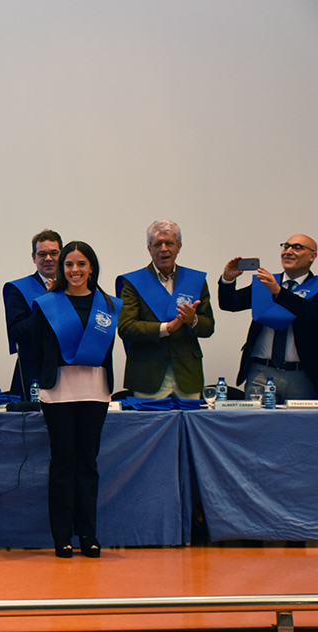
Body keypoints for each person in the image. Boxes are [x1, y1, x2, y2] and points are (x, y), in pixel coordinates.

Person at [31, 241, 121, 558]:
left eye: (81, 264)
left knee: (87, 464)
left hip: (95, 391)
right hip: (58, 392)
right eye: (69, 264)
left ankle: (88, 535)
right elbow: (35, 347)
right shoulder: (47, 304)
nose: (75, 270)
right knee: (62, 464)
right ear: (61, 268)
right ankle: (62, 537)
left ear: (91, 267)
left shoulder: (108, 305)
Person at [116, 220, 214, 399]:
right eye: (157, 244)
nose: (163, 249)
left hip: (187, 375)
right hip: (147, 374)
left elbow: (208, 327)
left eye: (169, 243)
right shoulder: (133, 282)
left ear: (179, 246)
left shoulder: (194, 280)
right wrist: (166, 328)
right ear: (149, 248)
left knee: (190, 419)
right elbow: (126, 327)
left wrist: (193, 320)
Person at [218, 235, 318, 403]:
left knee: (298, 420)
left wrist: (279, 292)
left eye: (297, 247)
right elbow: (231, 304)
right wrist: (228, 279)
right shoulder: (266, 282)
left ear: (312, 256)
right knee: (256, 420)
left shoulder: (315, 286)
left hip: (302, 374)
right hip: (261, 372)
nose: (288, 251)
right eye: (286, 246)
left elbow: (311, 312)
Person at [3, 229, 62, 400]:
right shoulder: (18, 289)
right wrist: (47, 303)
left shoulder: (73, 289)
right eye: (42, 254)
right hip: (33, 374)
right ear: (34, 258)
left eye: (54, 253)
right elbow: (17, 333)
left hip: (68, 372)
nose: (48, 258)